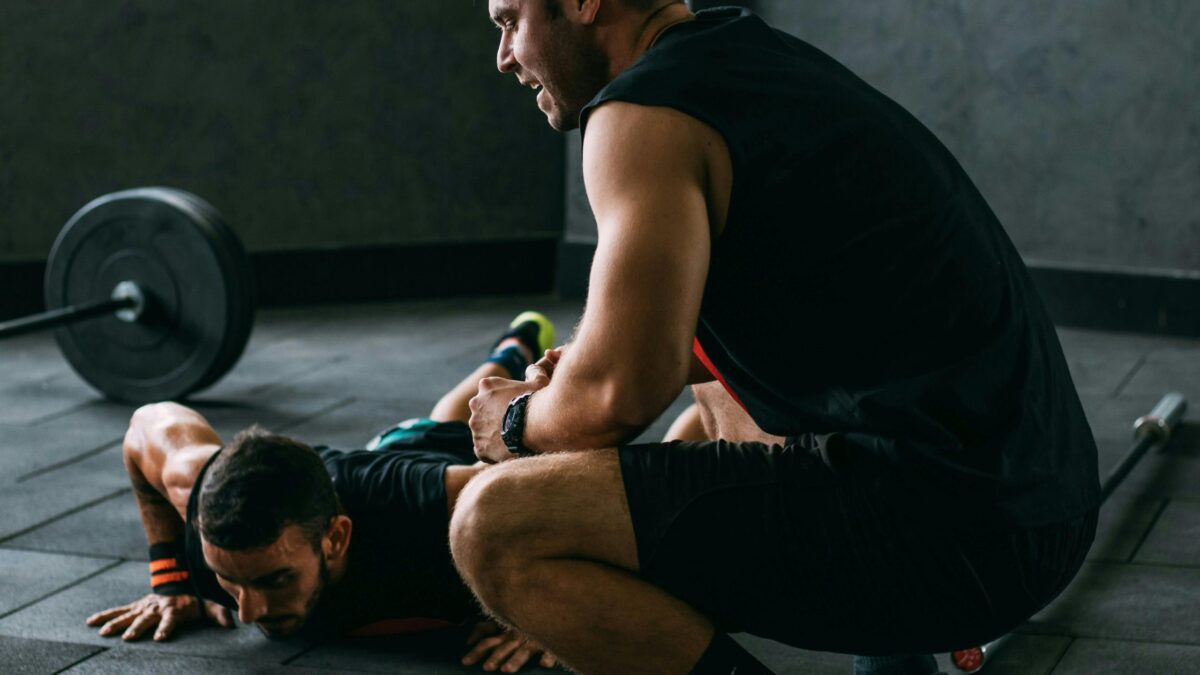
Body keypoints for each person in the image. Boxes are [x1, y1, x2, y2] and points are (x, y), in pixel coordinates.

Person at [456, 2, 1100, 675]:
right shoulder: (747, 63)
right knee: (710, 407)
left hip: (962, 534)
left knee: (495, 526)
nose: (503, 56)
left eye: (510, 21)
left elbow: (620, 393)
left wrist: (517, 419)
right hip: (1043, 500)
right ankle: (895, 650)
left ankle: (903, 621)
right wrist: (587, 365)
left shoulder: (638, 115)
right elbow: (671, 354)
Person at [85, 312, 565, 673]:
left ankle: (517, 350)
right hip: (348, 467)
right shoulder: (203, 512)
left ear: (336, 538)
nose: (248, 612)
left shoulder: (431, 508)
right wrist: (171, 579)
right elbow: (145, 425)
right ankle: (509, 349)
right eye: (229, 580)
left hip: (432, 465)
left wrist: (544, 613)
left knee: (459, 424)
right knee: (429, 422)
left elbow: (570, 490)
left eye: (273, 580)